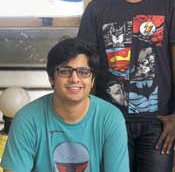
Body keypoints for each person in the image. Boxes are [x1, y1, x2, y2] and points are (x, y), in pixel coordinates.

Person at [78, 0, 175, 172]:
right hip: (109, 119)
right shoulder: (97, 9)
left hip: (158, 123)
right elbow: (85, 66)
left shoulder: (170, 5)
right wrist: (87, 116)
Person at [0, 37, 129, 172]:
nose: (74, 79)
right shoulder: (27, 119)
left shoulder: (110, 118)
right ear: (51, 79)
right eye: (65, 71)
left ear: (92, 80)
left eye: (83, 72)